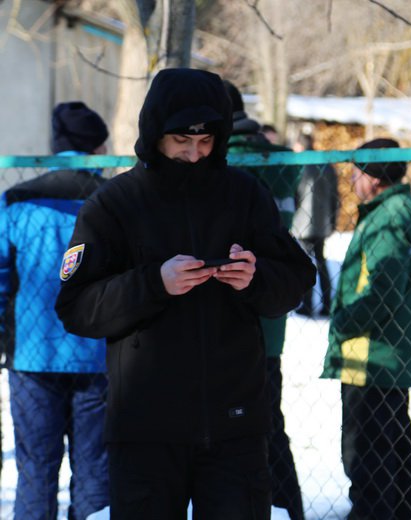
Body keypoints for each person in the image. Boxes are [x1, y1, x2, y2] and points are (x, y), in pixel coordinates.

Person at [54, 68, 316, 519]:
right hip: (146, 429)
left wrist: (254, 277)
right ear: (154, 134)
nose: (194, 155)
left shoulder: (245, 195)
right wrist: (154, 283)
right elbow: (77, 307)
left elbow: (295, 281)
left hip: (236, 423)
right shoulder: (114, 204)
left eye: (206, 142)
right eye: (181, 142)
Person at [0, 101, 110, 520]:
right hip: (97, 354)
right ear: (99, 148)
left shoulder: (19, 200)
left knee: (35, 471)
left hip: (31, 356)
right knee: (96, 469)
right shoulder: (113, 203)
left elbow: (0, 276)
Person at [322, 138, 411, 520]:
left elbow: (382, 290)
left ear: (374, 178)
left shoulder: (388, 217)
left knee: (365, 456)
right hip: (393, 353)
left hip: (371, 355)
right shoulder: (407, 209)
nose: (351, 178)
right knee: (395, 450)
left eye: (357, 171)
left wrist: (341, 320)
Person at [223, 78, 306, 520]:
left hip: (235, 311)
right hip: (271, 316)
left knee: (251, 428)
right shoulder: (280, 160)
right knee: (270, 423)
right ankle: (288, 508)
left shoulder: (231, 162)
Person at [292, 131, 339, 316]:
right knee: (321, 262)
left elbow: (295, 194)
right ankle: (327, 304)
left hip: (302, 222)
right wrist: (332, 220)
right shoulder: (326, 165)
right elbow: (335, 196)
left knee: (304, 263)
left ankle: (307, 304)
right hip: (322, 222)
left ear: (300, 145)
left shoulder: (298, 165)